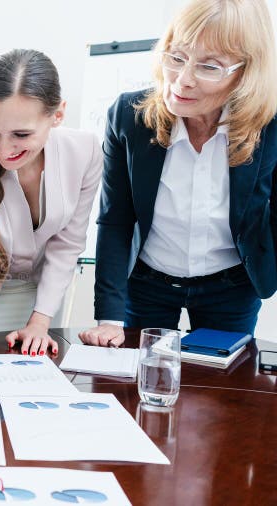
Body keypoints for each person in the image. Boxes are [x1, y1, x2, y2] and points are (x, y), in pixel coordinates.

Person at [80, 0, 277, 347]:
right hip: (147, 282)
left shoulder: (269, 127)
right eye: (176, 56)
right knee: (138, 383)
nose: (182, 81)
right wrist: (108, 317)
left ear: (247, 72)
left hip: (231, 286)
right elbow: (116, 219)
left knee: (223, 393)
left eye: (209, 66)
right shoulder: (128, 117)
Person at [0, 49, 102, 396]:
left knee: (37, 395)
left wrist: (40, 322)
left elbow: (68, 244)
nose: (5, 148)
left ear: (57, 115)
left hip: (46, 295)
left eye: (21, 135)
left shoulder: (85, 152)